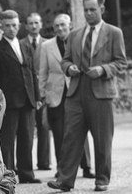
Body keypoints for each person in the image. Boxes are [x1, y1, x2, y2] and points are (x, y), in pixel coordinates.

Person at [48, 0, 127, 192]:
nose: (89, 13)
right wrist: (68, 69)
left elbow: (121, 62)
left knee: (102, 139)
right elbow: (65, 60)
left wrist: (103, 70)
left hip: (100, 91)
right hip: (76, 91)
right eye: (86, 10)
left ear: (102, 9)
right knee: (71, 136)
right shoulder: (75, 34)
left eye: (93, 9)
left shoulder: (113, 33)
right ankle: (65, 180)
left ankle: (102, 179)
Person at [0, 10, 41, 184]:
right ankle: (8, 175)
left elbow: (32, 72)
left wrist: (37, 96)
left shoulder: (26, 46)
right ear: (2, 27)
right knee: (7, 140)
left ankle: (27, 173)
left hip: (27, 99)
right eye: (8, 26)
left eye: (15, 25)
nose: (12, 29)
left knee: (27, 138)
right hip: (8, 102)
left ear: (19, 26)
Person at [38, 13, 94, 180]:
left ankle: (87, 166)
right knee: (59, 133)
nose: (60, 29)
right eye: (56, 26)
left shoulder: (80, 40)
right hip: (56, 93)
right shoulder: (47, 46)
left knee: (80, 130)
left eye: (63, 25)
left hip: (77, 90)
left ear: (70, 25)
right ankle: (62, 168)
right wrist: (42, 95)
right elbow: (43, 72)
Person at [21, 13, 51, 171]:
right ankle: (26, 164)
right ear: (26, 26)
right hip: (27, 92)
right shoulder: (19, 44)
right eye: (30, 23)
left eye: (36, 23)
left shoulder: (48, 44)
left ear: (41, 25)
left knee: (44, 126)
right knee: (27, 129)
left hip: (44, 89)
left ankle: (44, 162)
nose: (33, 26)